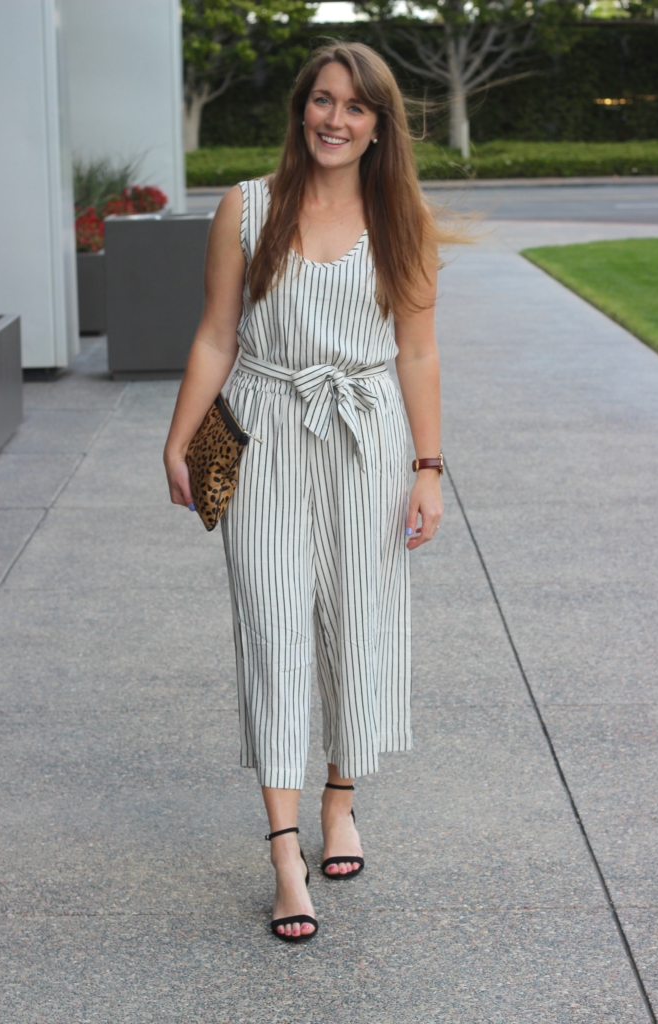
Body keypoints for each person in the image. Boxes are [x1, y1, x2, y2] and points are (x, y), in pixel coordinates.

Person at [164, 41, 459, 943]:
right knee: (273, 622)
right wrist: (181, 436)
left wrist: (427, 469)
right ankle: (284, 851)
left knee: (356, 622)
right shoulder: (247, 207)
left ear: (378, 126)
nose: (334, 119)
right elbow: (218, 333)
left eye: (354, 107)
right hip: (258, 435)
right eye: (321, 101)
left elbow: (417, 351)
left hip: (365, 436)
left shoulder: (400, 215)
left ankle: (341, 799)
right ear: (302, 110)